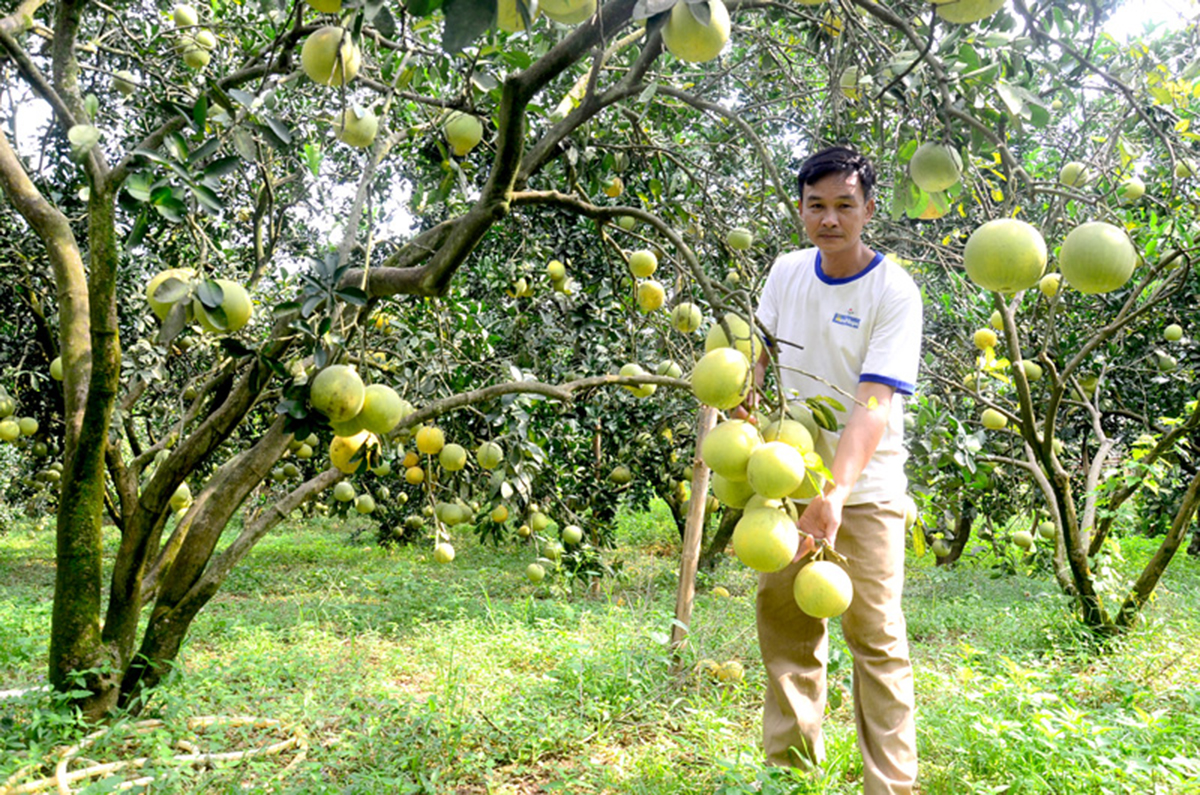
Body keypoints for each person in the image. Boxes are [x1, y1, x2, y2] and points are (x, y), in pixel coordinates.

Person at [751, 145, 922, 794]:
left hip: (866, 489)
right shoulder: (786, 272)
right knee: (788, 630)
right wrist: (745, 395)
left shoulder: (892, 290)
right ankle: (789, 776)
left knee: (875, 640)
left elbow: (874, 400)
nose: (829, 218)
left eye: (844, 205)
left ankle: (890, 784)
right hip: (785, 483)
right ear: (800, 211)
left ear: (868, 210)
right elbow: (757, 355)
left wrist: (837, 492)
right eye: (816, 205)